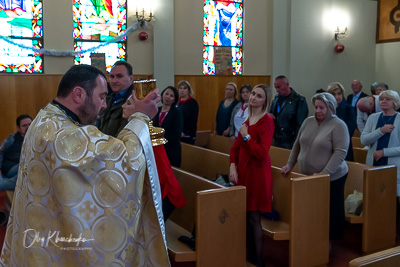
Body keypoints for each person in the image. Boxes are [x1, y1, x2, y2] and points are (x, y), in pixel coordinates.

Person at [0, 65, 169, 266]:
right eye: (101, 96)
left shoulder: (46, 118)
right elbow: (124, 162)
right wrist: (140, 117)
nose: (104, 105)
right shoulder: (60, 134)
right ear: (79, 94)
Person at [282, 93, 349, 245]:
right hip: (309, 176)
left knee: (330, 209)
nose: (318, 111)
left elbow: (340, 153)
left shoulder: (339, 125)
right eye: (316, 107)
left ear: (330, 108)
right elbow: (297, 144)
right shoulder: (308, 121)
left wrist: (324, 174)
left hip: (332, 177)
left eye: (322, 108)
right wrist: (289, 164)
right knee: (313, 208)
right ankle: (313, 238)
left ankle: (330, 241)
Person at [229, 84, 274, 267]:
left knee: (254, 217)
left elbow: (262, 153)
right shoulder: (248, 120)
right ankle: (249, 257)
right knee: (245, 215)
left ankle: (259, 260)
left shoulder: (267, 121)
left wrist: (247, 137)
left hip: (257, 174)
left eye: (259, 96)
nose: (253, 97)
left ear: (265, 101)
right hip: (244, 172)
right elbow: (235, 148)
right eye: (253, 94)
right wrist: (233, 165)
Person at [360, 90, 400, 220]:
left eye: (387, 99)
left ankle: (391, 229)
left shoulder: (399, 118)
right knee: (375, 196)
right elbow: (364, 140)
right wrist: (380, 131)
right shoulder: (373, 118)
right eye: (381, 99)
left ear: (395, 102)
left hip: (392, 165)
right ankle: (377, 226)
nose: (383, 101)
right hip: (374, 163)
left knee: (391, 199)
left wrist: (384, 152)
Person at [269, 75, 309, 149]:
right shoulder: (276, 99)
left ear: (287, 84)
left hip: (290, 140)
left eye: (279, 87)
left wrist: (295, 143)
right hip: (277, 138)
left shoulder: (298, 100)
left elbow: (300, 124)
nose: (277, 90)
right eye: (276, 87)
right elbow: (272, 115)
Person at [98, 60, 134, 137]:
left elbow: (126, 133)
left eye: (119, 76)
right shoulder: (108, 99)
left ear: (131, 79)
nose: (114, 81)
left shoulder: (134, 102)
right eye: (112, 76)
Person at [153, 86, 184, 167]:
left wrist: (161, 143)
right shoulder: (156, 110)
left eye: (171, 96)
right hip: (157, 150)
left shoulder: (176, 112)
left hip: (171, 150)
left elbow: (176, 134)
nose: (168, 97)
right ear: (162, 95)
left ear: (174, 99)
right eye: (166, 94)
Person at [0, 114, 32, 190]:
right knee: (28, 169)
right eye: (24, 125)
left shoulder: (39, 138)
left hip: (27, 168)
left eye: (30, 124)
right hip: (12, 167)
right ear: (18, 128)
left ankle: (4, 183)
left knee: (28, 175)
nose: (28, 127)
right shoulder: (12, 138)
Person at [327, 82, 356, 161]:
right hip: (328, 147)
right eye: (334, 94)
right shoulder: (326, 109)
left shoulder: (349, 109)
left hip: (344, 146)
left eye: (339, 94)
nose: (337, 97)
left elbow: (350, 130)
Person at [177, 80, 199, 145]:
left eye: (184, 88)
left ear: (188, 90)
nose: (182, 90)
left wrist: (184, 132)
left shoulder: (193, 103)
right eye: (180, 88)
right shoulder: (176, 102)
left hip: (188, 134)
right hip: (177, 133)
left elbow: (193, 120)